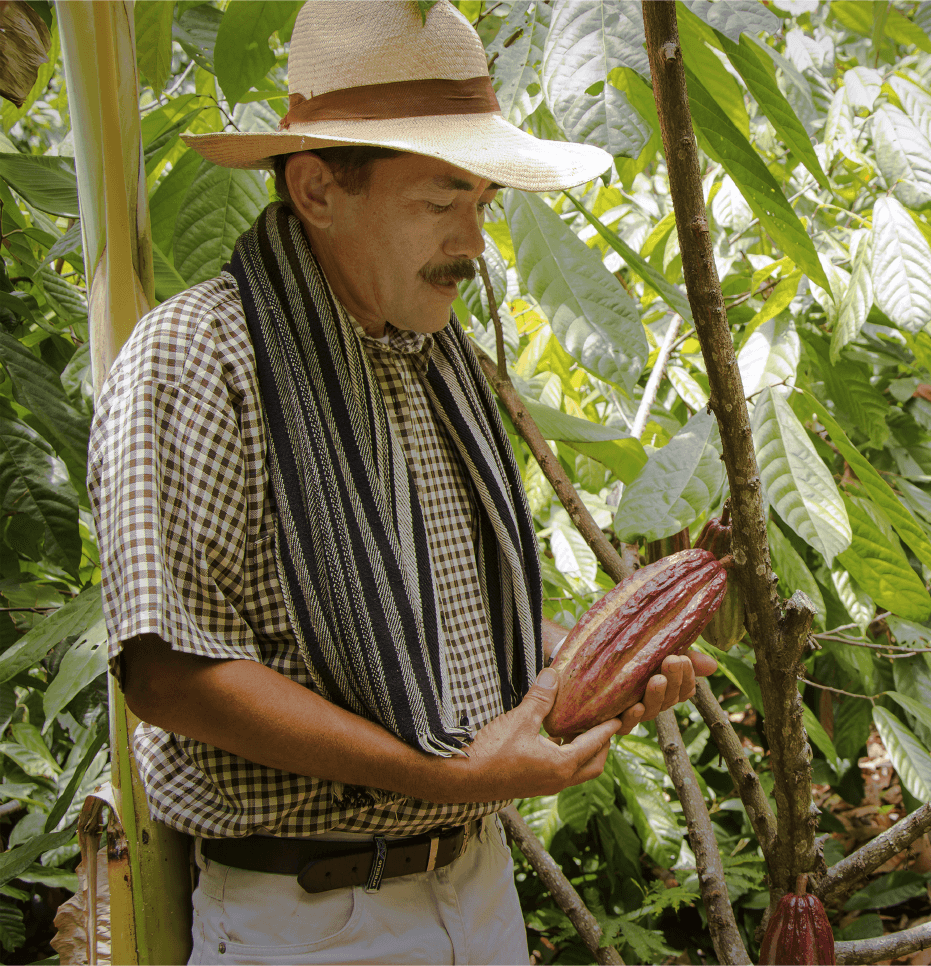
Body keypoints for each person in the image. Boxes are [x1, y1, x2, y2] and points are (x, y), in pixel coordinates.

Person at [85, 2, 714, 963]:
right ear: (316, 189)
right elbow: (171, 672)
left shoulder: (423, 352)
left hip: (475, 884)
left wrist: (593, 670)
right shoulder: (199, 357)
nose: (474, 243)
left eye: (481, 203)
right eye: (439, 202)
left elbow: (453, 623)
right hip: (311, 922)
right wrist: (443, 776)